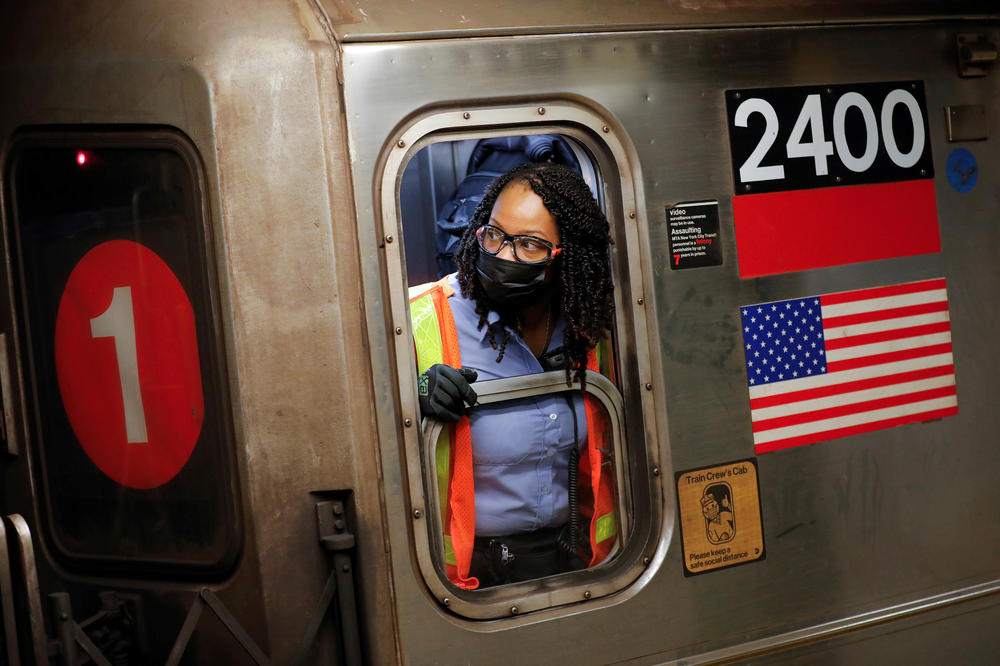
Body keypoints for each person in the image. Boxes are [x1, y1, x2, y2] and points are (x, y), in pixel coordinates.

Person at [409, 163, 617, 589]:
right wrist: (412, 400)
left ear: (567, 257)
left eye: (529, 245)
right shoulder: (422, 318)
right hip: (469, 581)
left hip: (581, 568)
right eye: (494, 235)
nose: (503, 255)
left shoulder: (591, 327)